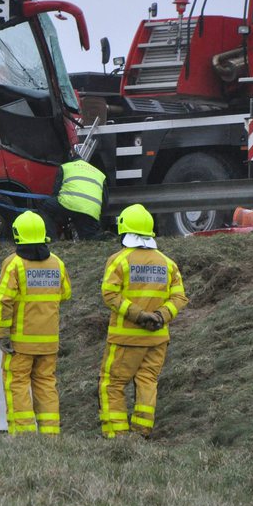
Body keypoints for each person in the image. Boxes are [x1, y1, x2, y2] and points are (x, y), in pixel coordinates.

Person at [98, 203, 188, 438]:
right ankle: (141, 432)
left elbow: (109, 294)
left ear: (124, 231)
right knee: (147, 381)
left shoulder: (119, 260)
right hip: (157, 339)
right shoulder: (168, 263)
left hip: (126, 338)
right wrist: (161, 316)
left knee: (112, 385)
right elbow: (179, 297)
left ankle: (117, 436)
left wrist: (138, 315)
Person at [0, 210, 72, 435]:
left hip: (20, 343)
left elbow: (4, 301)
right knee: (46, 384)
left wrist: (2, 334)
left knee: (17, 384)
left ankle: (23, 434)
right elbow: (66, 293)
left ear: (17, 234)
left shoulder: (13, 264)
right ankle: (50, 434)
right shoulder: (57, 263)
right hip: (48, 342)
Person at [39, 150, 107, 240]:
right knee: (88, 238)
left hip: (69, 203)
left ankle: (52, 240)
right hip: (90, 209)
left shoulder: (66, 167)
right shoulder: (100, 174)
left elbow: (56, 191)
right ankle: (104, 237)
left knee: (47, 207)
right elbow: (105, 201)